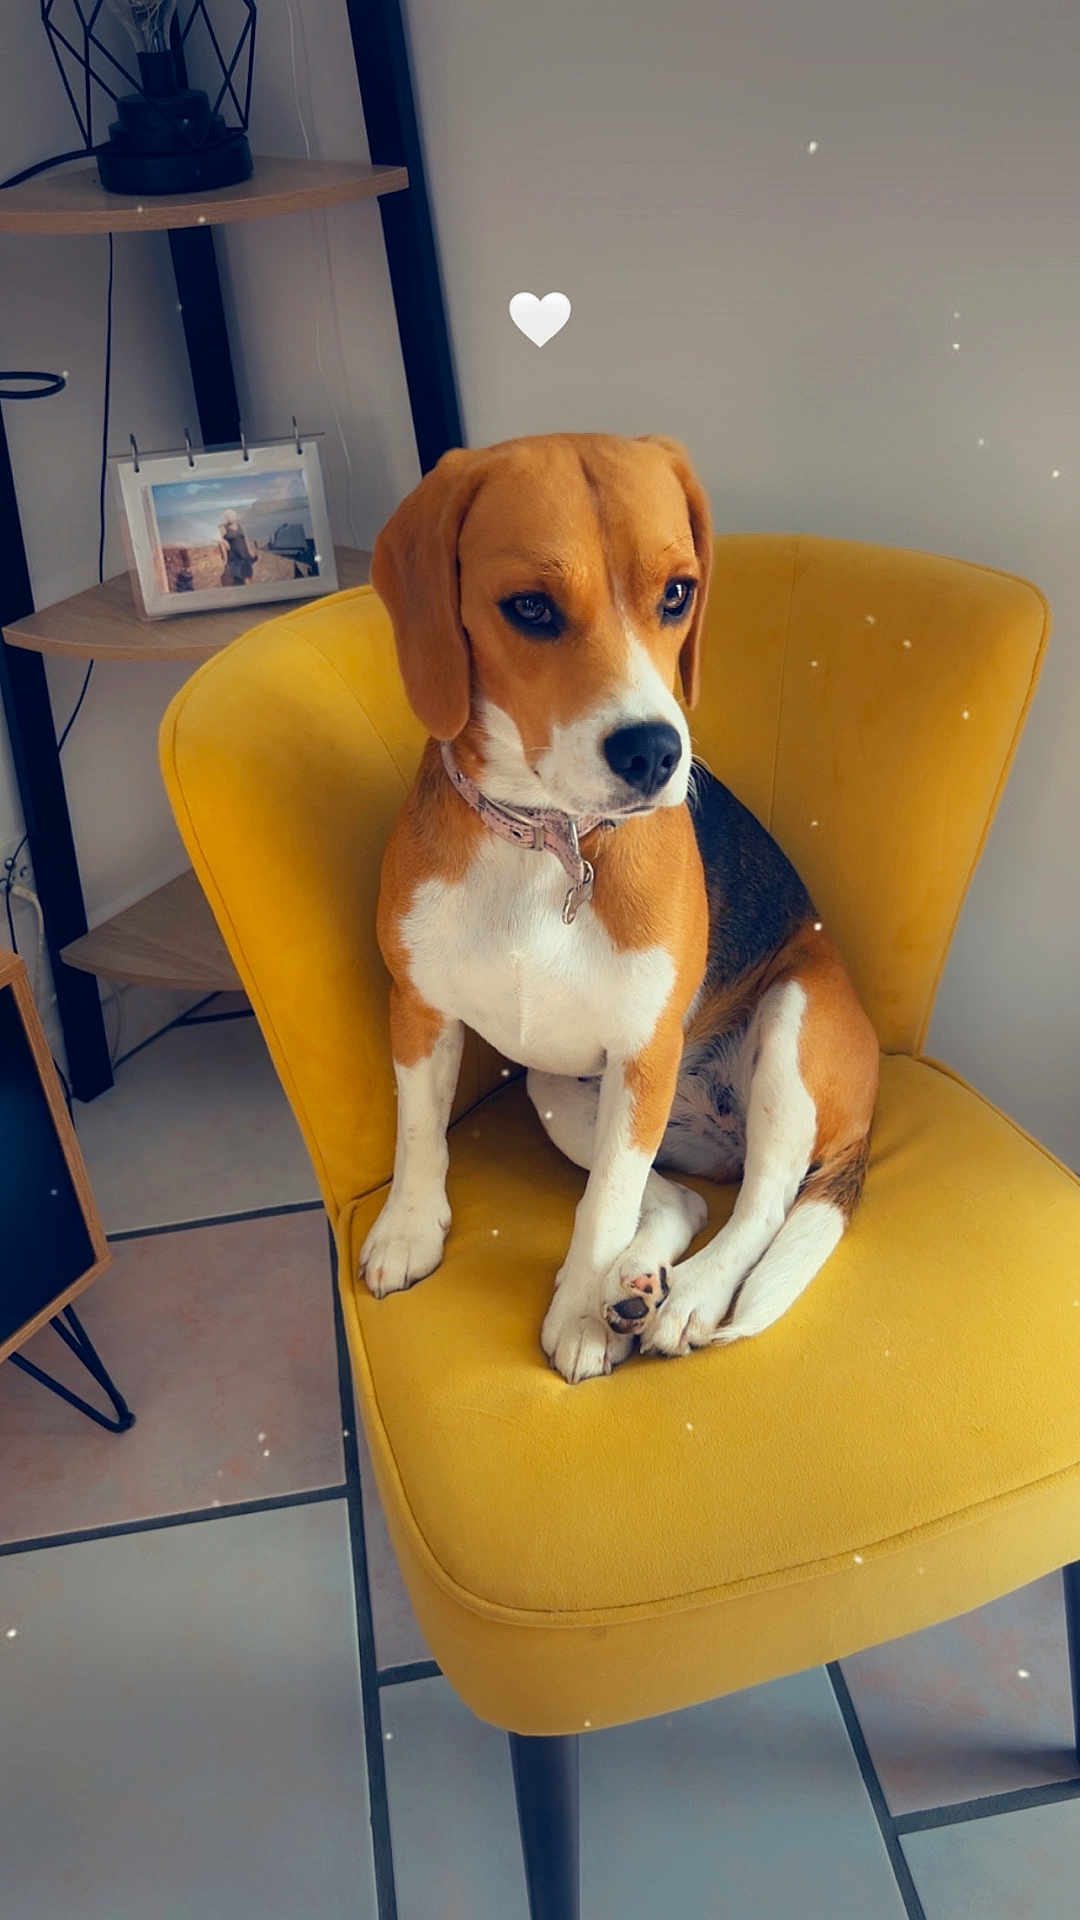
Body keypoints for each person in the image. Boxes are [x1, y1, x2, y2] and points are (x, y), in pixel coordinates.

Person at [218, 511, 258, 587]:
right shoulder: (223, 528)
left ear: (235, 517)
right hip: (234, 559)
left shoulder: (240, 526)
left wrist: (251, 552)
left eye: (231, 516)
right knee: (240, 580)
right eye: (227, 516)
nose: (229, 518)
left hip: (245, 556)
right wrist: (224, 541)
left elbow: (246, 540)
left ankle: (252, 595)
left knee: (248, 578)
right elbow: (218, 539)